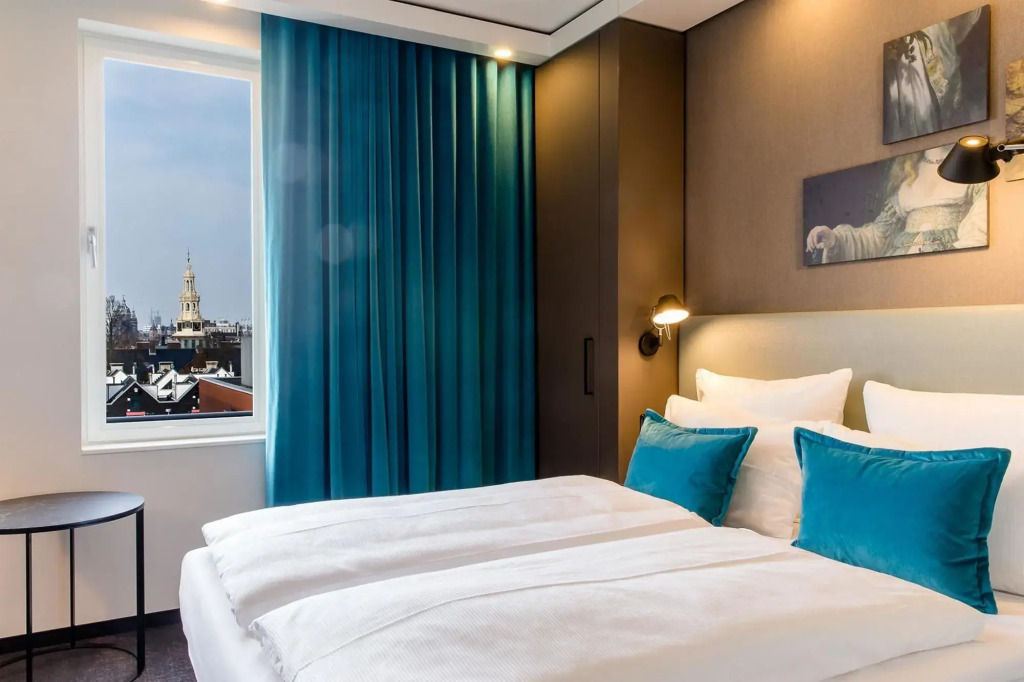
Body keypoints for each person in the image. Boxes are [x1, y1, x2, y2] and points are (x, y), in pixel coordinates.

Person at [806, 146, 986, 263]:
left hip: (948, 265)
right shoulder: (908, 171)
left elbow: (980, 228)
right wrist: (835, 239)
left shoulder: (972, 165)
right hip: (900, 270)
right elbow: (877, 236)